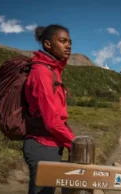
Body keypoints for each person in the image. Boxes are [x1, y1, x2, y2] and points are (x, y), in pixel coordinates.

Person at [23, 24, 75, 194]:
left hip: (51, 144)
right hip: (42, 145)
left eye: (69, 42)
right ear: (47, 44)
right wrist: (74, 143)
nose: (68, 45)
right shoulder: (41, 73)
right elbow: (51, 120)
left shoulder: (52, 70)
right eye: (62, 41)